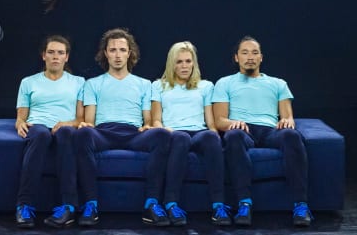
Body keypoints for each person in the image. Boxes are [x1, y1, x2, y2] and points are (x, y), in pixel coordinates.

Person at [212, 36, 313, 227]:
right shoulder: (224, 83)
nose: (250, 57)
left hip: (270, 131)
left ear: (261, 58)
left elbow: (288, 117)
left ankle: (301, 205)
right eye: (245, 52)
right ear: (236, 58)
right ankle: (244, 203)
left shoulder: (278, 83)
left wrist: (286, 121)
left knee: (292, 135)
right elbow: (219, 121)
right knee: (233, 136)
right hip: (243, 130)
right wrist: (233, 123)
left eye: (254, 52)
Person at [74, 28, 171, 227]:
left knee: (161, 134)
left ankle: (151, 204)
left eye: (122, 50)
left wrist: (148, 126)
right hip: (103, 132)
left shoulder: (144, 84)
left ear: (130, 53)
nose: (117, 55)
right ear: (105, 54)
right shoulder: (92, 84)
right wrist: (86, 126)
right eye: (113, 50)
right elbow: (90, 121)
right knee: (83, 133)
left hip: (133, 134)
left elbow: (147, 119)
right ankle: (90, 205)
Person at [151, 41, 231, 226]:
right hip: (174, 133)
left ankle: (219, 206)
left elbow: (211, 122)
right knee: (181, 137)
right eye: (179, 62)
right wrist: (166, 130)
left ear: (194, 63)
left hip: (200, 132)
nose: (184, 66)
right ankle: (171, 204)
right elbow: (156, 120)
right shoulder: (159, 86)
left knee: (211, 137)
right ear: (172, 64)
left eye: (188, 61)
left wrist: (216, 138)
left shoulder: (206, 86)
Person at [13, 35, 85, 229]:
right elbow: (22, 115)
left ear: (66, 57)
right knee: (41, 134)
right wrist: (20, 123)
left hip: (65, 127)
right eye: (51, 52)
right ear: (43, 56)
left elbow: (80, 119)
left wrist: (67, 123)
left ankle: (68, 207)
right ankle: (24, 205)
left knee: (66, 134)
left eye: (60, 53)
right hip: (38, 126)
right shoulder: (28, 82)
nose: (55, 57)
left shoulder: (79, 82)